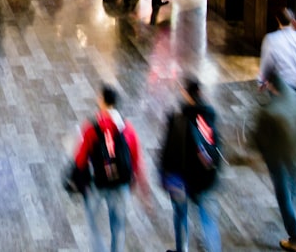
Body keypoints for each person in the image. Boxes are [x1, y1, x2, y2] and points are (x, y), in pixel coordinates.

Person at [71, 84, 149, 252]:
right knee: (118, 226)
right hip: (121, 184)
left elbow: (80, 158)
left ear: (102, 101)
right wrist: (137, 183)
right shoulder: (127, 128)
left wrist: (79, 179)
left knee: (93, 221)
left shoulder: (92, 128)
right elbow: (136, 158)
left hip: (98, 183)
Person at [159, 77, 222, 252]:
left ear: (185, 93)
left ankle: (182, 249)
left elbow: (169, 151)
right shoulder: (209, 117)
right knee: (207, 220)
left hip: (181, 180)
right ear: (200, 93)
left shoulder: (178, 119)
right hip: (205, 180)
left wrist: (164, 174)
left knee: (180, 215)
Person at [254, 70, 296, 252]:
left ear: (270, 85)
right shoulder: (294, 94)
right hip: (295, 151)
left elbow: (258, 140)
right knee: (291, 191)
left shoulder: (270, 112)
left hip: (278, 157)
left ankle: (295, 238)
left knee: (283, 198)